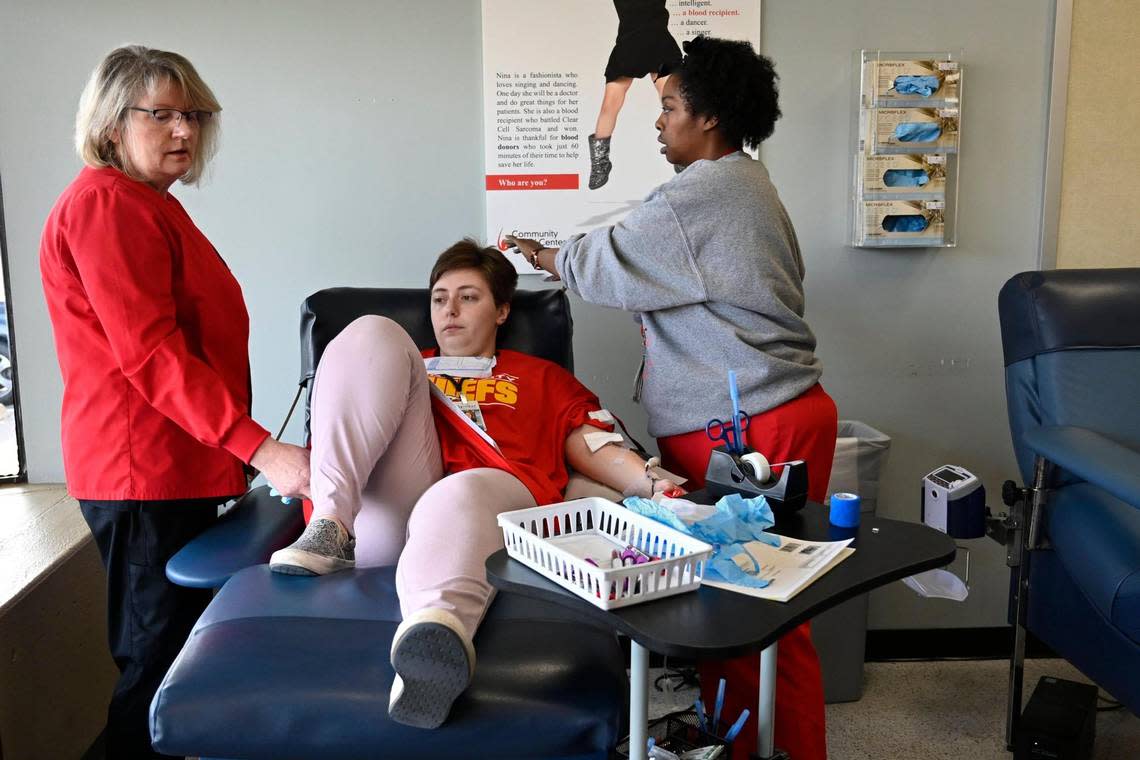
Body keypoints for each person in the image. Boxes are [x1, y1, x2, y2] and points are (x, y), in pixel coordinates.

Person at [507, 35, 836, 760]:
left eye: (670, 108)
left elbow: (606, 262)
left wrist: (543, 255)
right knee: (736, 612)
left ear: (710, 118)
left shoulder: (703, 195)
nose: (658, 123)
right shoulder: (747, 183)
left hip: (749, 424)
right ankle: (742, 745)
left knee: (760, 616)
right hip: (764, 411)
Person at [268, 239, 680, 729]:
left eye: (469, 297)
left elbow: (590, 444)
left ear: (503, 310)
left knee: (457, 492)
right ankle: (332, 527)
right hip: (387, 517)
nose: (450, 311)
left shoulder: (541, 377)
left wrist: (656, 487)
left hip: (487, 504)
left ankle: (430, 642)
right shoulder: (403, 363)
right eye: (440, 298)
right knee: (371, 331)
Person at [39, 46, 311, 758]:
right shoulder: (106, 204)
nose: (183, 131)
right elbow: (152, 353)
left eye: (191, 114)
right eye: (160, 114)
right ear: (109, 124)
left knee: (183, 666)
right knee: (156, 674)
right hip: (142, 474)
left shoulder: (150, 205)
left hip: (177, 468)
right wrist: (262, 447)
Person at [587, 0, 682, 189]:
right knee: (609, 105)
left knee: (676, 104)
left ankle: (682, 153)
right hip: (629, 44)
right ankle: (600, 164)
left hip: (658, 43)